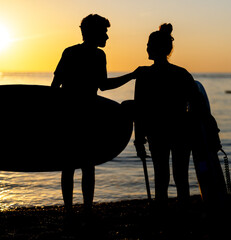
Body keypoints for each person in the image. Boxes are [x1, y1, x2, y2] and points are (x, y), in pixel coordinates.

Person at [51, 14, 136, 215]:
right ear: (93, 33)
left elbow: (55, 87)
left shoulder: (70, 52)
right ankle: (86, 210)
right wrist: (131, 76)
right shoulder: (97, 56)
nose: (107, 37)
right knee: (87, 165)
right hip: (87, 117)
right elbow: (104, 86)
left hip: (70, 117)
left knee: (70, 165)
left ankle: (69, 211)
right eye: (104, 32)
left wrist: (55, 114)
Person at [133, 23, 199, 204]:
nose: (146, 48)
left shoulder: (144, 75)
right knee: (180, 175)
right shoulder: (182, 73)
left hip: (157, 131)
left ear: (157, 48)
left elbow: (139, 110)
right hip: (180, 129)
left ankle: (162, 211)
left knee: (161, 175)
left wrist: (139, 138)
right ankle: (182, 211)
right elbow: (196, 104)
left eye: (148, 45)